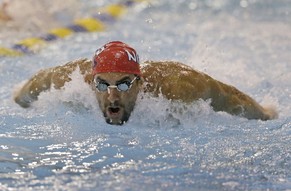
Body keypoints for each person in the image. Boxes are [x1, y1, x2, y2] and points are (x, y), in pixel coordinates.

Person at [14, 41, 278, 125]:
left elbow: (230, 97)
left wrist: (266, 115)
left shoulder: (178, 85)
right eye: (104, 85)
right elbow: (38, 83)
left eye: (125, 84)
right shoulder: (71, 79)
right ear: (92, 82)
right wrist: (20, 102)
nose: (113, 97)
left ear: (140, 83)